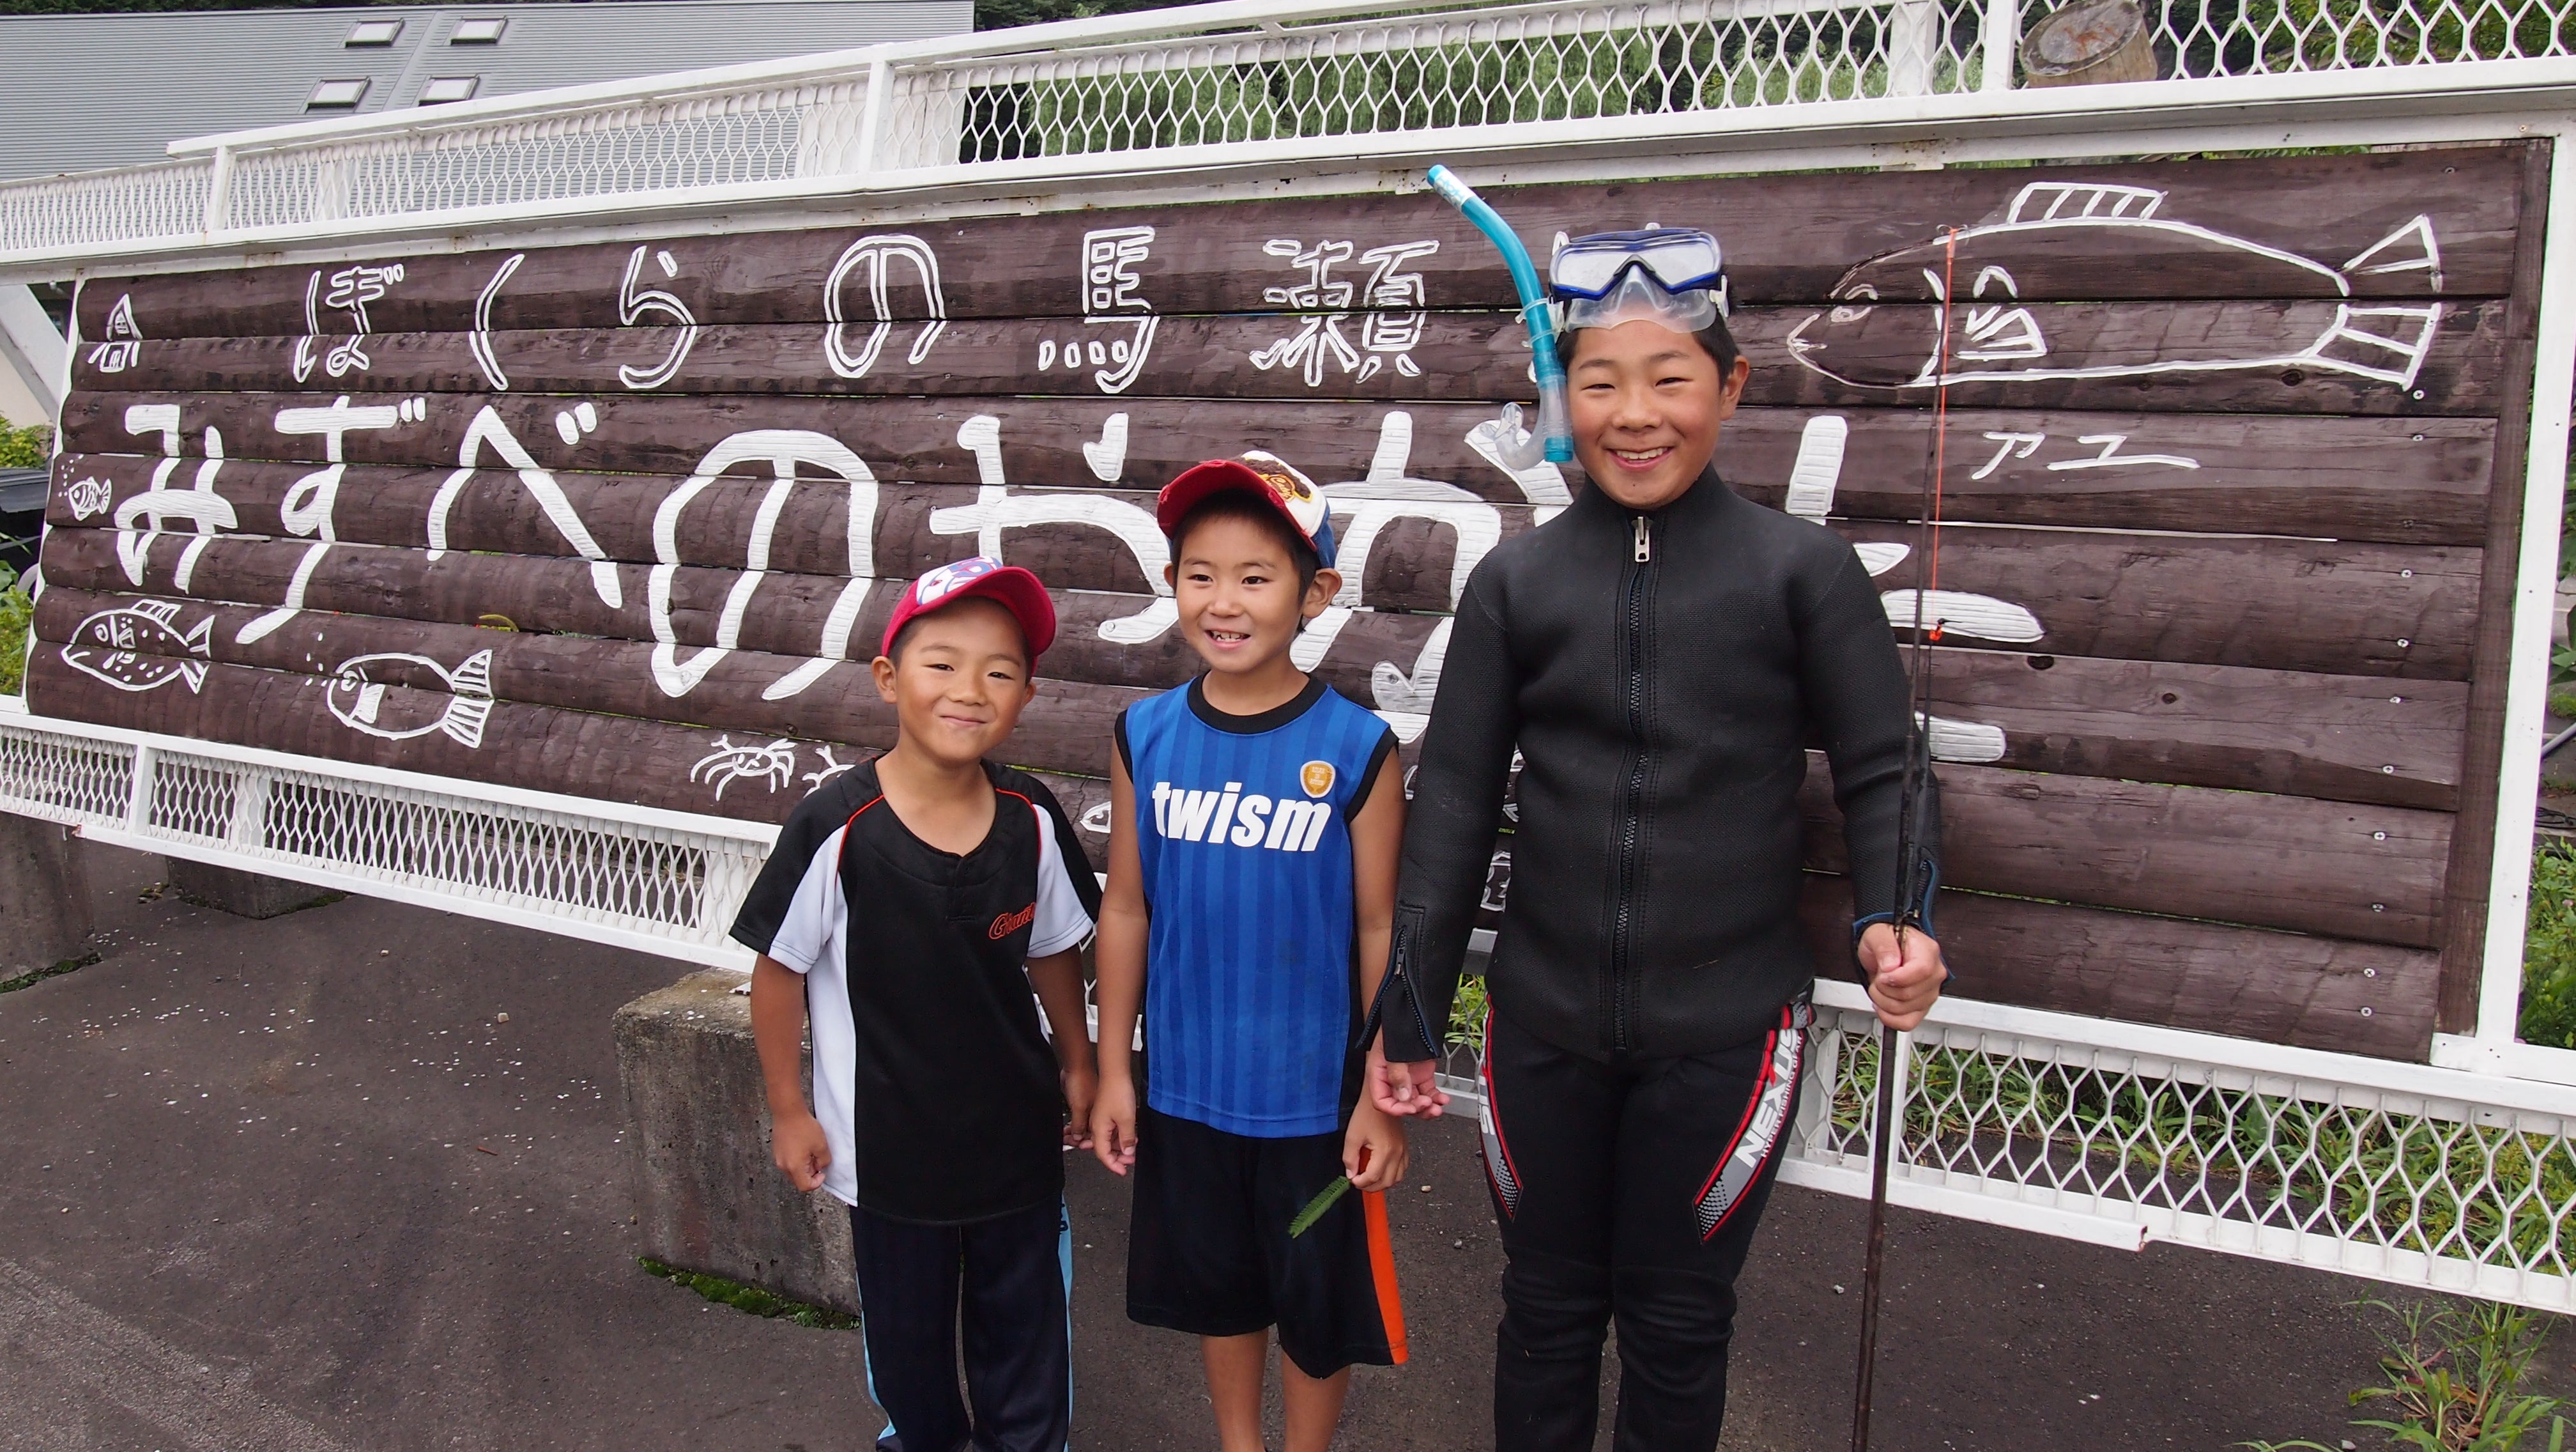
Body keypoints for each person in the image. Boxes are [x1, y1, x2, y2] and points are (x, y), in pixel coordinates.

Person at [1363, 228, 1952, 1451]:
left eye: (1672, 378)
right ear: (1559, 399)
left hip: (1727, 1034)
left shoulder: (1804, 571)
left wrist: (1898, 919)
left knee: (1681, 1324)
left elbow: (1886, 768)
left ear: (1731, 388)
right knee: (1543, 1311)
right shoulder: (1518, 585)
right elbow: (1460, 798)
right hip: (1541, 1028)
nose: (1637, 414)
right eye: (1600, 381)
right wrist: (1409, 1010)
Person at [733, 555, 1102, 1452]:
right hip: (887, 1157)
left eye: (1000, 671)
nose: (969, 689)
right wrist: (789, 1109)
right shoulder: (837, 825)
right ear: (891, 679)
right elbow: (778, 973)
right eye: (942, 664)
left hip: (1017, 1145)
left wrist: (1082, 1064)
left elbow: (1056, 950)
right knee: (910, 1354)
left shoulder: (1032, 816)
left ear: (1026, 695)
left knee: (1028, 1339)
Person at [1088, 455, 1412, 1452]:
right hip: (1186, 1090)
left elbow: (1378, 928)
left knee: (1316, 1312)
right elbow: (1128, 909)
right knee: (1222, 1294)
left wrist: (1378, 1089)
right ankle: (1239, 1443)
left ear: (1315, 592)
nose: (1223, 602)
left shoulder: (1359, 747)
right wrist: (1112, 1070)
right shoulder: (1145, 734)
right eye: (1199, 574)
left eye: (1256, 577)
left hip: (1313, 1103)